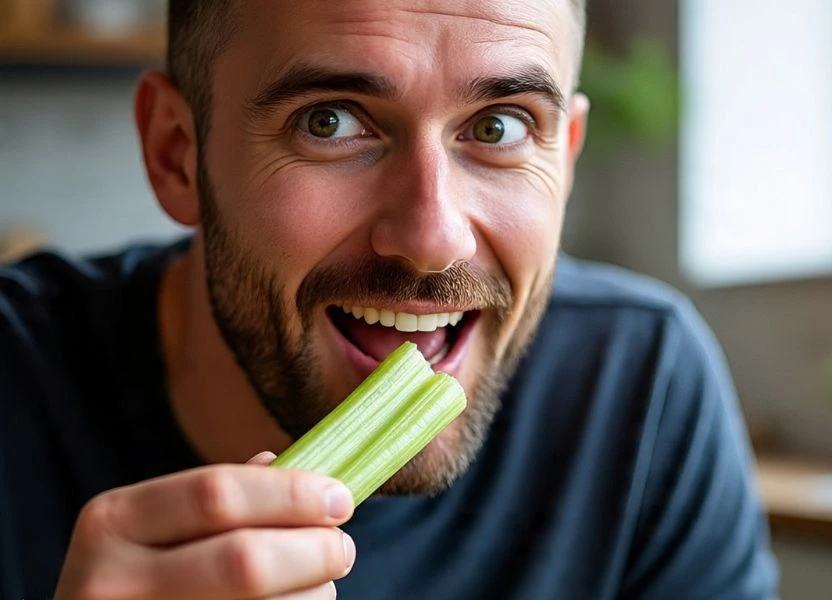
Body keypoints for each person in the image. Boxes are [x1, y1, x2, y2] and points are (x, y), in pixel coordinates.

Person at [0, 1, 779, 598]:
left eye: (501, 126)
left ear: (564, 163)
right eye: (329, 121)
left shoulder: (638, 383)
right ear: (177, 153)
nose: (433, 238)